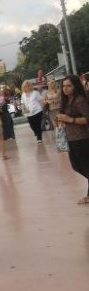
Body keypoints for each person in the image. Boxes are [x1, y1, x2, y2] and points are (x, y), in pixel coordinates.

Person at [56, 76, 89, 205]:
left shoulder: (79, 100)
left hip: (82, 138)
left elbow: (87, 118)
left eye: (69, 86)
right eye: (64, 86)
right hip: (71, 138)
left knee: (85, 167)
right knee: (77, 166)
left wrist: (70, 119)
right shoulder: (67, 101)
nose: (65, 88)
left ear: (75, 86)